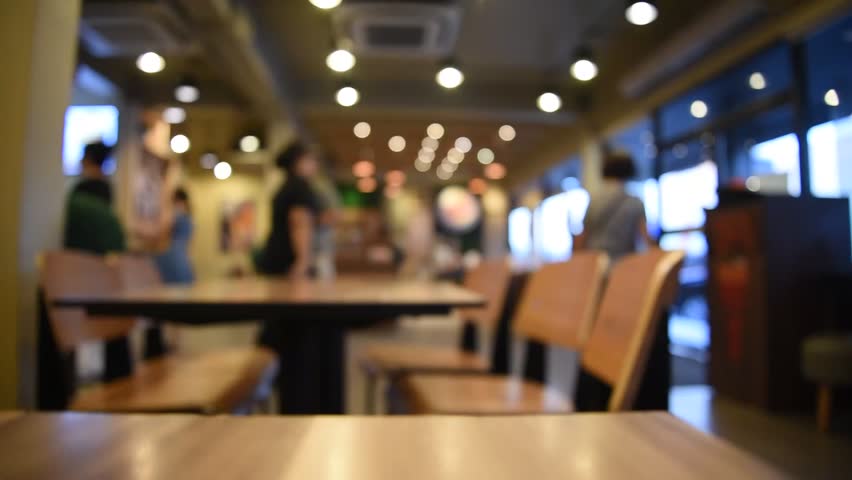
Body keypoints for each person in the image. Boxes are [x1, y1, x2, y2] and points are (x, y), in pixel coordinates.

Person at [62, 141, 129, 383]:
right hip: (102, 275)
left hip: (77, 276)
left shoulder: (78, 196)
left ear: (87, 158)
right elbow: (117, 243)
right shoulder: (105, 192)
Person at [574, 151, 654, 261]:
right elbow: (646, 237)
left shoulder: (594, 201)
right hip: (624, 265)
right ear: (629, 171)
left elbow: (582, 237)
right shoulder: (635, 202)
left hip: (596, 266)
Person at [261, 142, 321, 278]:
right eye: (310, 160)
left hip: (276, 257)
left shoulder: (286, 186)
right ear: (298, 162)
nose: (315, 165)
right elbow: (299, 223)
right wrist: (303, 261)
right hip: (288, 261)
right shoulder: (299, 188)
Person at [63, 141, 125, 255]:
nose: (81, 160)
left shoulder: (81, 188)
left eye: (83, 156)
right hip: (101, 255)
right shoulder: (107, 187)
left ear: (88, 158)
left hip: (78, 253)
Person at [155, 188, 195, 284]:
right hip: (183, 256)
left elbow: (162, 233)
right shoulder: (189, 217)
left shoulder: (177, 215)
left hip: (174, 255)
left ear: (177, 200)